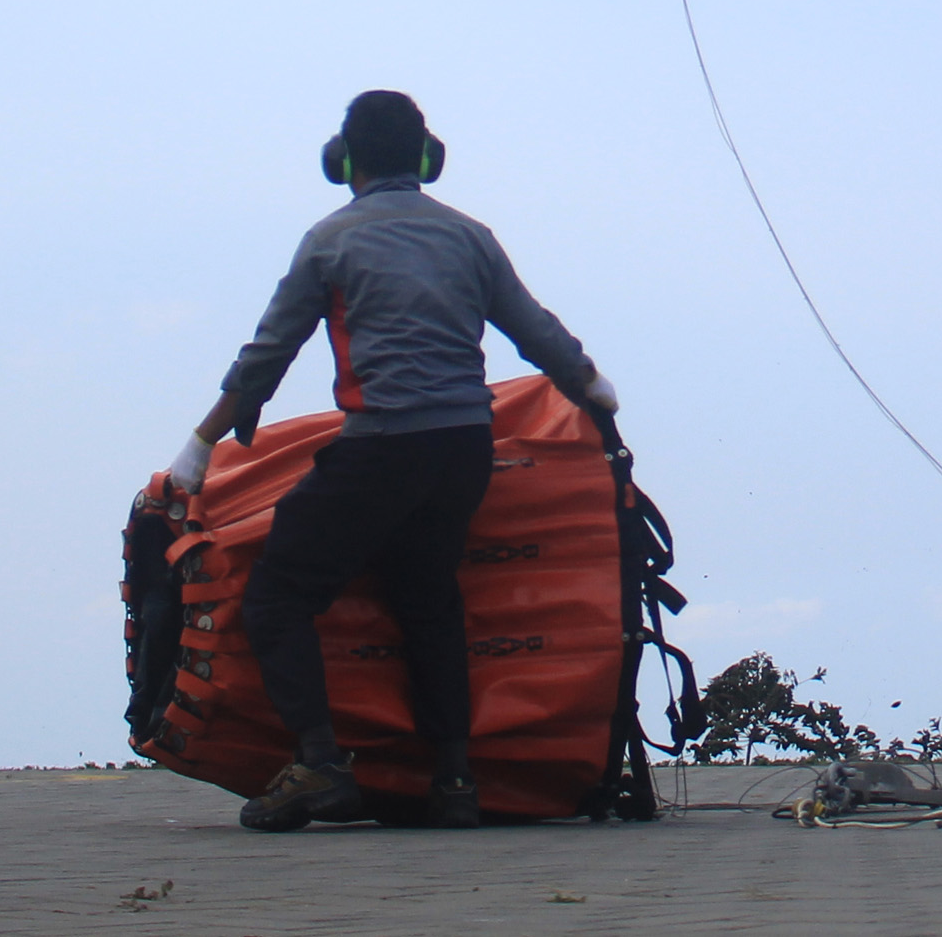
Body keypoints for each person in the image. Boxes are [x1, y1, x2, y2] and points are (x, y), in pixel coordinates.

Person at [163, 89, 618, 833]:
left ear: (342, 161)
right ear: (428, 158)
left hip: (383, 446)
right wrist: (592, 388)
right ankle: (455, 781)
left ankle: (320, 762)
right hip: (464, 450)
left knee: (278, 594)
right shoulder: (470, 236)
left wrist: (202, 443)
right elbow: (535, 330)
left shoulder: (329, 240)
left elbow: (268, 354)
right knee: (428, 599)